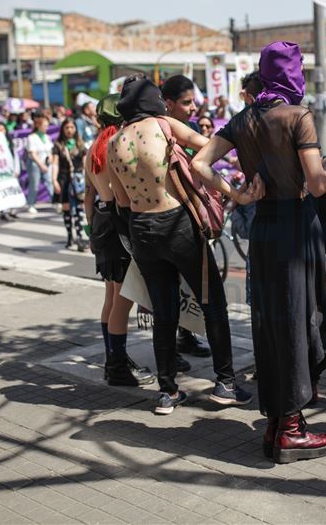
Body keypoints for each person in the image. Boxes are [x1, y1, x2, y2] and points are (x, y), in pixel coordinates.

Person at [192, 41, 326, 463]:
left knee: (272, 322)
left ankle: (278, 421)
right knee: (298, 319)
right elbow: (317, 183)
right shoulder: (298, 116)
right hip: (296, 224)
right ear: (293, 74)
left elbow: (200, 163)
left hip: (264, 228)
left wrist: (236, 193)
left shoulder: (243, 119)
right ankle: (290, 428)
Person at [109, 75, 254, 416]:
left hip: (141, 228)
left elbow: (121, 201)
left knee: (163, 310)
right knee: (212, 302)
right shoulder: (162, 125)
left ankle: (168, 391)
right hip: (177, 224)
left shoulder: (114, 142)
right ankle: (226, 383)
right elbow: (209, 144)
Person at [84, 94, 155, 388]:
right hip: (117, 221)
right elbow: (124, 194)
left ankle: (114, 357)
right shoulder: (118, 145)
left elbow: (88, 193)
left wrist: (90, 231)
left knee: (111, 298)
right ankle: (117, 365)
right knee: (122, 301)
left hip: (100, 220)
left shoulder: (92, 149)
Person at [160, 74, 214, 359]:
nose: (193, 107)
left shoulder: (192, 129)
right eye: (186, 102)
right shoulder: (161, 131)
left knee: (192, 285)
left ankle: (186, 335)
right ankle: (172, 349)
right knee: (169, 288)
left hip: (193, 210)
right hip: (169, 217)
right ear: (168, 104)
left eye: (194, 101)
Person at [51, 118, 87, 251]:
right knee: (66, 209)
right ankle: (69, 236)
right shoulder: (58, 145)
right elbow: (55, 164)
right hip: (64, 179)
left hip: (78, 180)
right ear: (62, 129)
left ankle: (79, 237)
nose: (69, 130)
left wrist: (87, 179)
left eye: (72, 127)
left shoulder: (80, 144)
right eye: (67, 128)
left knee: (79, 209)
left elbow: (85, 164)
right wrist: (54, 180)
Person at [24, 114, 52, 214]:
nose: (46, 127)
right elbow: (33, 153)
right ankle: (31, 204)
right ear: (38, 126)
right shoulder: (32, 137)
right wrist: (41, 165)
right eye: (44, 125)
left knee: (50, 182)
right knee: (34, 185)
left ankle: (56, 202)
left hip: (46, 163)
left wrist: (50, 159)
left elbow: (50, 151)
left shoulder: (47, 137)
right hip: (35, 164)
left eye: (47, 125)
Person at [0, 123, 20, 221]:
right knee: (2, 192)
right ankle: (4, 211)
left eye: (3, 129)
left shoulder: (10, 142)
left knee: (12, 191)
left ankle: (13, 210)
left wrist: (17, 169)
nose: (1, 131)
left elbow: (15, 156)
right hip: (0, 172)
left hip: (11, 171)